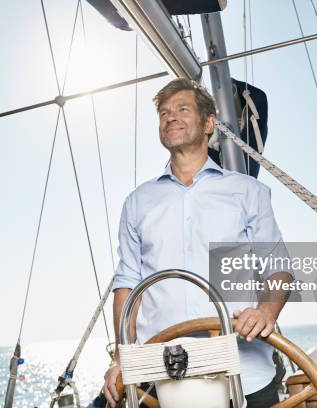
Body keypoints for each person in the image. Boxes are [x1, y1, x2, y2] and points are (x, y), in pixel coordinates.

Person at [103, 78, 293, 408]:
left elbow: (278, 270)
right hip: (161, 379)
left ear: (208, 124)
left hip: (245, 376)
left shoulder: (249, 192)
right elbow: (127, 285)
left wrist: (266, 311)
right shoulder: (137, 202)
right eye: (163, 113)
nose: (170, 117)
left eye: (182, 109)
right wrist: (122, 355)